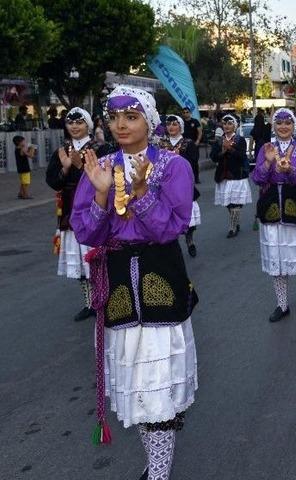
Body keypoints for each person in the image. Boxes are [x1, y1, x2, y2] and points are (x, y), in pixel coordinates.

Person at [71, 85, 199, 480]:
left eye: (131, 116)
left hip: (160, 272)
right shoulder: (101, 168)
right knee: (137, 379)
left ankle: (158, 472)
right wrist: (100, 195)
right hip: (120, 282)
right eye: (113, 117)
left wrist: (142, 193)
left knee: (158, 381)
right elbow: (86, 232)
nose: (121, 125)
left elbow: (169, 227)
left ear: (149, 120)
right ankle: (156, 464)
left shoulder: (174, 166)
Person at [252, 108, 296, 322]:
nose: (283, 127)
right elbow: (257, 178)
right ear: (273, 125)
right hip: (271, 206)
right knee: (276, 257)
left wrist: (290, 170)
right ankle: (282, 304)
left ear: (294, 125)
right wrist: (267, 162)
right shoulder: (267, 148)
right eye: (279, 123)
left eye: (287, 123)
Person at [46, 108, 111, 321]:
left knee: (97, 257)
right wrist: (65, 169)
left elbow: (107, 180)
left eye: (79, 122)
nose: (74, 127)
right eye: (70, 123)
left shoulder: (101, 148)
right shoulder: (62, 150)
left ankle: (105, 298)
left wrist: (80, 166)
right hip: (70, 209)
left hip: (94, 206)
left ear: (88, 125)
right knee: (79, 262)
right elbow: (53, 181)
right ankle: (88, 302)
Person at [160, 114, 201, 257]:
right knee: (169, 217)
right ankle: (173, 244)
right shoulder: (161, 144)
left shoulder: (188, 143)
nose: (171, 127)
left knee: (187, 218)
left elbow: (194, 161)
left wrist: (179, 157)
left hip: (183, 185)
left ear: (180, 127)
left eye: (175, 124)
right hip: (166, 186)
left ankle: (190, 241)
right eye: (169, 124)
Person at [212, 114, 252, 237]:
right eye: (224, 124)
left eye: (229, 123)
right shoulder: (219, 140)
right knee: (228, 203)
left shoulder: (240, 140)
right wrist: (222, 151)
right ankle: (235, 221)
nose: (227, 126)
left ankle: (232, 228)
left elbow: (242, 156)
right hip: (223, 175)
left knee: (236, 203)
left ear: (235, 126)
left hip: (237, 175)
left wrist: (231, 149)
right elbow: (213, 157)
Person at [181, 108, 202, 183]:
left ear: (190, 113)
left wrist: (198, 141)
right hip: (183, 144)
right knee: (184, 161)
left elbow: (199, 132)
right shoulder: (181, 122)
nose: (185, 114)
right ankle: (186, 178)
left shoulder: (195, 121)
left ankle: (196, 178)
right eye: (184, 112)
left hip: (193, 144)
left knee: (194, 162)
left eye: (187, 112)